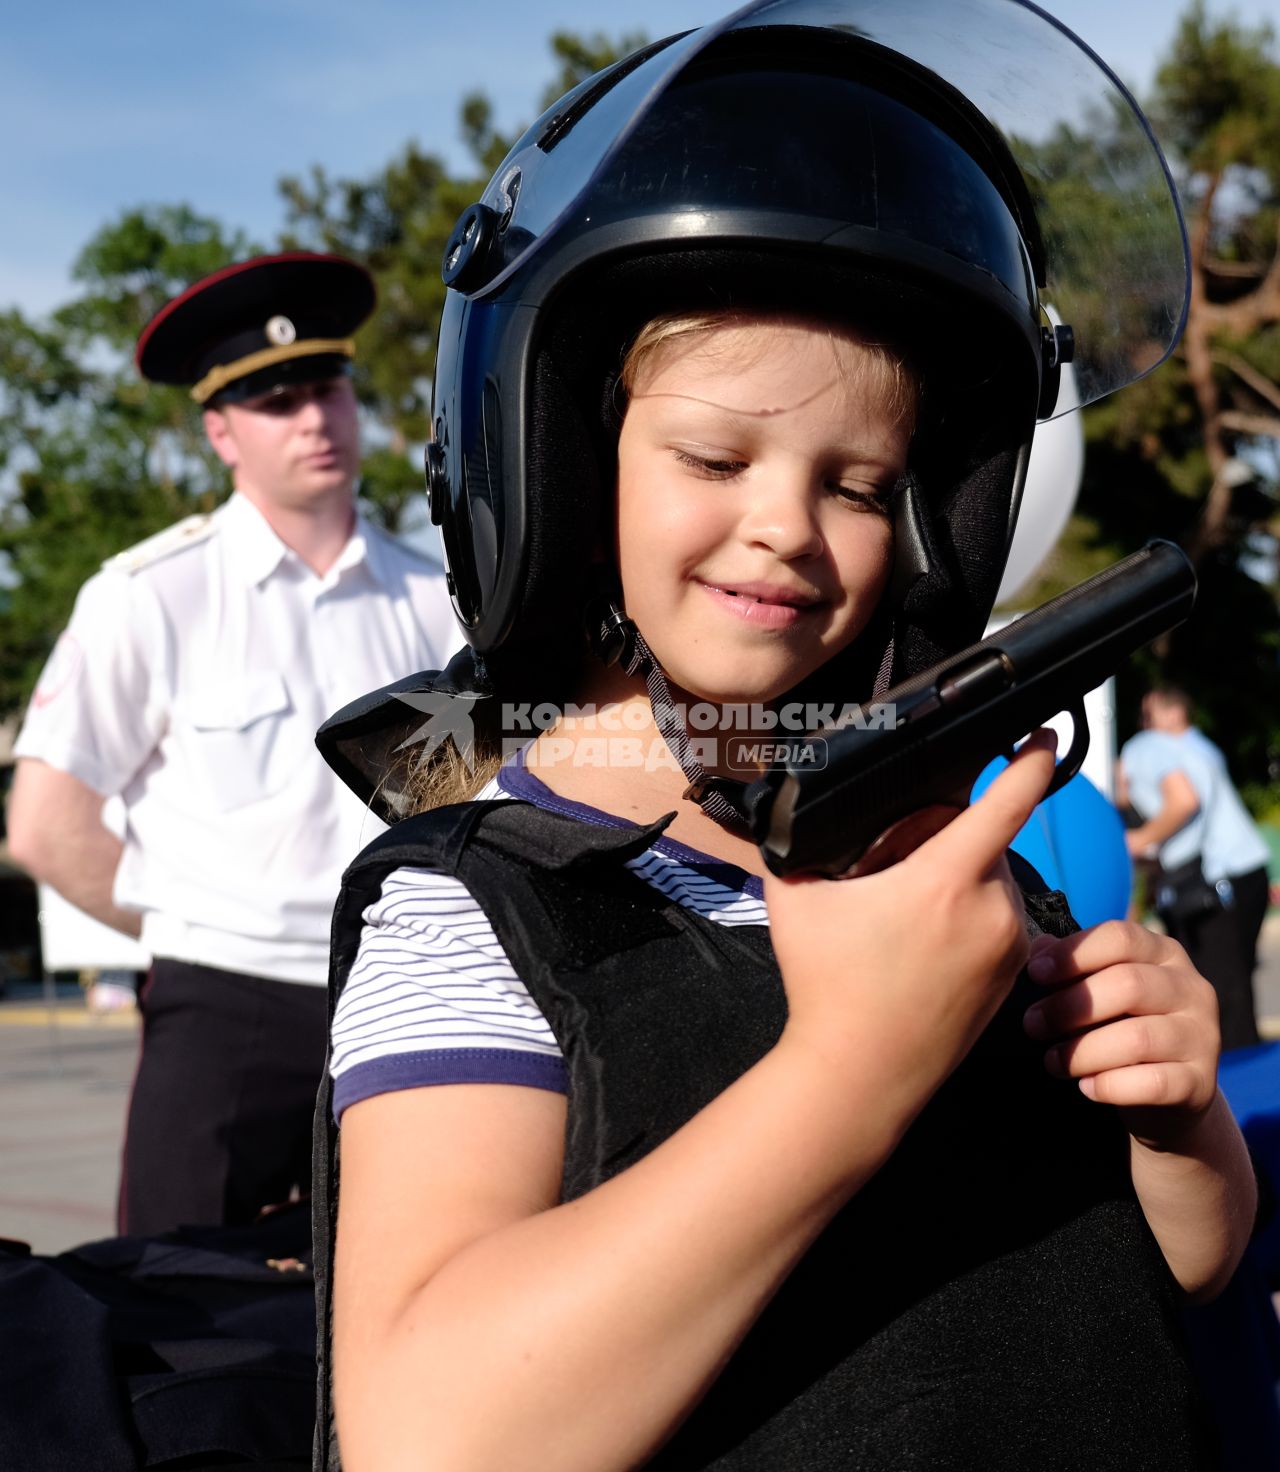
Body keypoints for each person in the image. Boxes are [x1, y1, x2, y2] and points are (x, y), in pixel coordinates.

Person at [311, 6, 1259, 1467]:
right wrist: (852, 1067)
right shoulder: (482, 910)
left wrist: (1177, 1115)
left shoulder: (943, 849)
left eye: (864, 486)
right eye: (712, 455)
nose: (788, 527)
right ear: (561, 471)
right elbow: (433, 1434)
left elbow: (1166, 1270)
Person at [6, 252, 457, 1238]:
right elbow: (46, 825)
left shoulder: (436, 601)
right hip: (226, 1009)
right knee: (174, 1319)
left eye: (328, 387)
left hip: (407, 990)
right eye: (275, 399)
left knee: (414, 1300)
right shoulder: (153, 593)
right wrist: (202, 922)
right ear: (219, 431)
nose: (312, 417)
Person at [1119, 685, 1272, 1051]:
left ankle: (1233, 1091)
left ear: (1169, 715)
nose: (1145, 723)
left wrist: (1137, 841)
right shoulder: (1201, 746)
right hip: (1248, 870)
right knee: (1236, 988)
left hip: (1212, 881)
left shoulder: (1147, 747)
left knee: (1215, 994)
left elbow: (1183, 800)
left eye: (1148, 714)